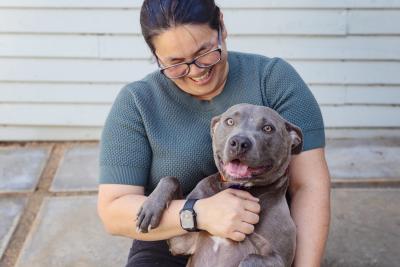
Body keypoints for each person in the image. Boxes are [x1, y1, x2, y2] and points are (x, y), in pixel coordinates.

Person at [97, 0, 331, 266]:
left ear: (222, 25)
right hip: (173, 226)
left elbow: (309, 186)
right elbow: (112, 211)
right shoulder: (137, 102)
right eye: (175, 63)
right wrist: (198, 214)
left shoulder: (274, 79)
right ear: (155, 55)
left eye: (205, 52)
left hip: (265, 235)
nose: (197, 71)